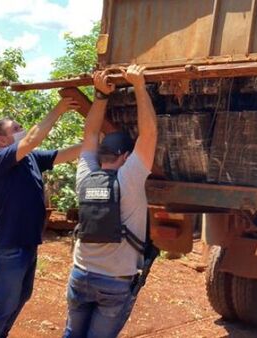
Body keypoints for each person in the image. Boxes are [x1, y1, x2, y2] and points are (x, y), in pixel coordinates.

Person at [63, 65, 157, 338]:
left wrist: (101, 96)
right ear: (126, 157)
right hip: (114, 283)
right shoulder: (130, 178)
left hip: (80, 274)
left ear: (101, 153)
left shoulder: (85, 175)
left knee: (71, 333)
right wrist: (139, 85)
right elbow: (149, 134)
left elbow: (90, 134)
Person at [0, 98, 82, 338]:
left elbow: (64, 154)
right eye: (15, 129)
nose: (21, 130)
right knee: (2, 307)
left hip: (27, 244)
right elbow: (33, 139)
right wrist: (60, 107)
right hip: (8, 247)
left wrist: (94, 142)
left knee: (21, 297)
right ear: (2, 140)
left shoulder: (31, 158)